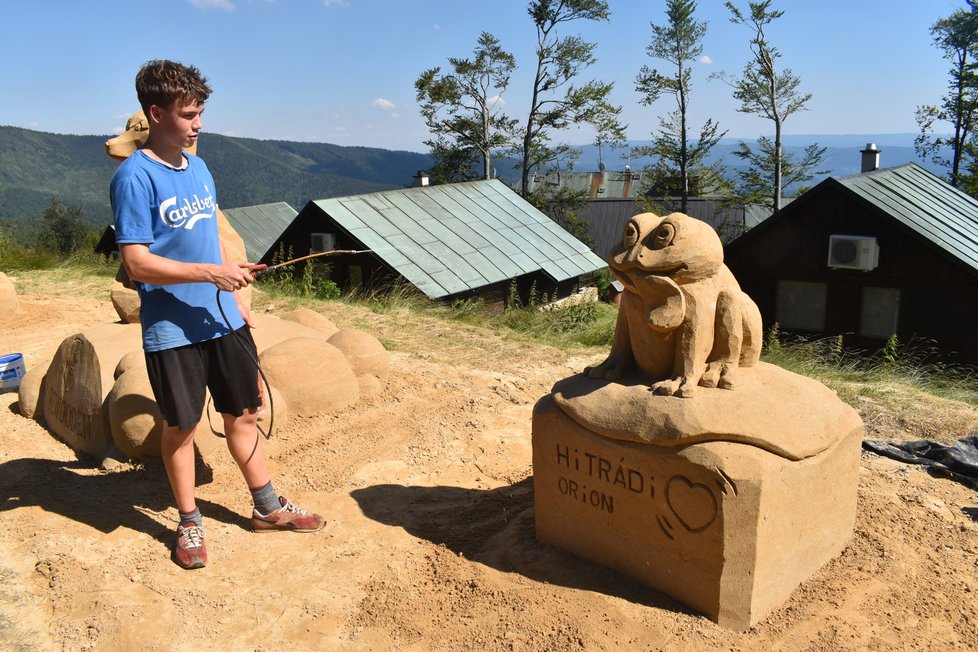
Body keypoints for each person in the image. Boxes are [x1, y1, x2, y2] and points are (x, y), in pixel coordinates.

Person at [110, 60, 324, 570]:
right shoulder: (133, 178)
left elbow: (202, 243)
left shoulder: (200, 168)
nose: (198, 124)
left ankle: (267, 508)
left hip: (222, 318)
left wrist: (231, 286)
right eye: (188, 114)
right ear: (155, 112)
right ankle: (189, 522)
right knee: (181, 426)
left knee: (244, 413)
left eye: (200, 112)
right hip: (171, 329)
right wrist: (210, 273)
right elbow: (137, 262)